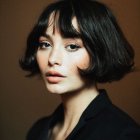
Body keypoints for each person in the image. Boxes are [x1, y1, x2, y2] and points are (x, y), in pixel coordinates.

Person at [20, 0, 140, 139]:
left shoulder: (124, 134)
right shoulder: (38, 131)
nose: (52, 59)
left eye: (72, 46)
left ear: (99, 52)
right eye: (45, 44)